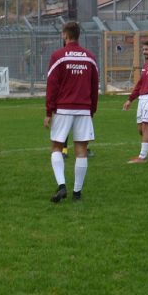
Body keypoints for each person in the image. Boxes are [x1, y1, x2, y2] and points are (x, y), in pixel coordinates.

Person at [45, 21, 99, 203]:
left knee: (56, 147)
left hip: (63, 109)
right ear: (78, 35)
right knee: (81, 150)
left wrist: (48, 111)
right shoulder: (90, 57)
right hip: (83, 109)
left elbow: (52, 86)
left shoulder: (58, 56)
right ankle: (77, 193)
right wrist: (91, 110)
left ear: (64, 35)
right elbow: (94, 86)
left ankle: (62, 186)